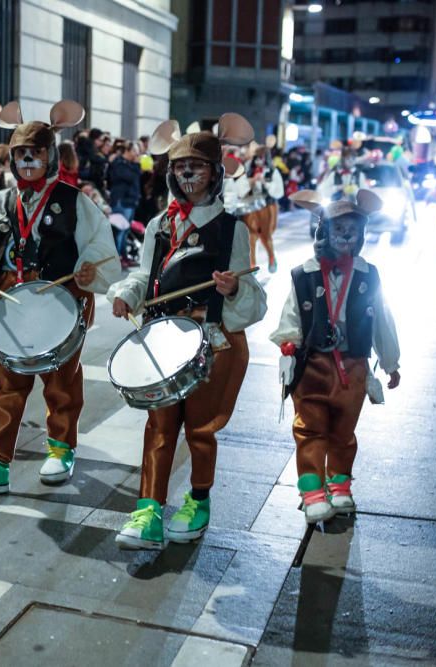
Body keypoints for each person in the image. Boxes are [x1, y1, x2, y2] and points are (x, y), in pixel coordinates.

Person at [107, 115, 266, 550]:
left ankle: (198, 500)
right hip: (162, 337)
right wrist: (127, 294)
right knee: (158, 427)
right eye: (179, 167)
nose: (187, 173)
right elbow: (144, 275)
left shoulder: (231, 228)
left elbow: (252, 296)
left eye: (196, 166)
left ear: (215, 172)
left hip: (210, 339)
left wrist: (233, 288)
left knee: (199, 429)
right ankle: (149, 509)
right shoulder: (160, 224)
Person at [0, 100, 123, 493]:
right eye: (21, 155)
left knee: (61, 381)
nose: (28, 161)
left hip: (62, 298)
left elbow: (100, 247)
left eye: (36, 154)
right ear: (12, 159)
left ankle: (61, 448)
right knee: (3, 383)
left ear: (50, 157)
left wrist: (90, 267)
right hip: (11, 300)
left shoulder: (75, 201)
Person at [273, 190, 400, 523]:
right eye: (338, 228)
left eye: (352, 229)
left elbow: (382, 319)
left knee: (344, 431)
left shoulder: (368, 274)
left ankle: (340, 485)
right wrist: (288, 345)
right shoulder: (304, 274)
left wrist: (391, 361)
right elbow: (291, 315)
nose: (345, 235)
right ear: (323, 232)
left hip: (354, 365)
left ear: (360, 235)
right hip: (313, 363)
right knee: (310, 429)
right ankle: (312, 492)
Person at [240, 146, 284, 272]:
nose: (259, 160)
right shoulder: (249, 170)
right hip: (251, 206)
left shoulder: (272, 171)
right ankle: (252, 265)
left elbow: (278, 190)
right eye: (257, 158)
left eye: (261, 158)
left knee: (265, 235)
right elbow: (242, 188)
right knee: (251, 236)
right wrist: (252, 181)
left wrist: (265, 182)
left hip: (267, 206)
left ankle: (271, 258)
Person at [107, 140, 142, 258]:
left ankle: (123, 256)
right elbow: (130, 177)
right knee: (119, 231)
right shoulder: (119, 163)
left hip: (130, 201)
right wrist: (137, 165)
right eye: (135, 151)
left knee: (126, 231)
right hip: (121, 202)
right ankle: (115, 258)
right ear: (127, 151)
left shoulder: (130, 164)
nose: (137, 154)